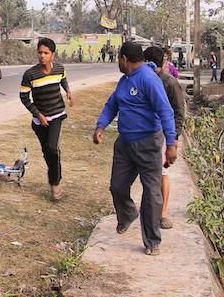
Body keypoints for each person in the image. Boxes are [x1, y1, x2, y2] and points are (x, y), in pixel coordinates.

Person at [93, 42, 177, 256]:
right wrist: (101, 126)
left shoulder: (149, 80)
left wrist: (171, 143)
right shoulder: (124, 81)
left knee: (151, 194)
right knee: (117, 187)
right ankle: (128, 213)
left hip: (149, 143)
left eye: (118, 59)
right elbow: (112, 104)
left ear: (124, 59)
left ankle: (152, 240)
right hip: (125, 144)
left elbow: (166, 111)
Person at [20, 38, 73, 201]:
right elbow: (24, 97)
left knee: (51, 148)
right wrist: (38, 115)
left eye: (46, 53)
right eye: (40, 52)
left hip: (56, 115)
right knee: (47, 152)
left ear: (52, 54)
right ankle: (55, 173)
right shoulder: (30, 74)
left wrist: (68, 91)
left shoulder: (59, 68)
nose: (42, 56)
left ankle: (55, 186)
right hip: (39, 120)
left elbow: (62, 79)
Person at [144, 47, 185, 230]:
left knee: (162, 173)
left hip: (163, 134)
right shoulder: (142, 79)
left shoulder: (169, 82)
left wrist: (173, 139)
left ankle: (162, 213)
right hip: (145, 133)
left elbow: (179, 111)